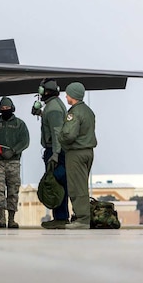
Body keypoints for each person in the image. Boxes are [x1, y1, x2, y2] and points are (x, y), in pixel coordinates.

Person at [0, 97, 30, 228]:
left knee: (13, 190)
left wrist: (14, 150)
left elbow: (25, 141)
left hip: (13, 162)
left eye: (7, 108)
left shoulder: (20, 125)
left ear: (12, 108)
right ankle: (1, 217)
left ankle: (12, 219)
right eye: (3, 109)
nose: (5, 110)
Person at [58, 82, 97, 230]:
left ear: (73, 95)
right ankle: (83, 217)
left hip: (76, 153)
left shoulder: (74, 113)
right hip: (88, 152)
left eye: (67, 94)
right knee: (82, 184)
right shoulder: (88, 111)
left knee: (76, 187)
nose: (66, 96)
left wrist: (60, 136)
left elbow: (69, 134)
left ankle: (82, 219)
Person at [36, 79, 70, 229]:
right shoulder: (53, 105)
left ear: (45, 91)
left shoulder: (54, 108)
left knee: (56, 184)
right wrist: (41, 114)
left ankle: (61, 217)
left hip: (55, 150)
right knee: (57, 183)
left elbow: (57, 133)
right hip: (56, 149)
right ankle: (60, 216)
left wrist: (55, 154)